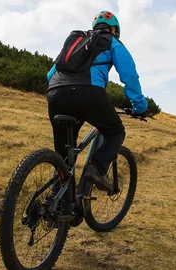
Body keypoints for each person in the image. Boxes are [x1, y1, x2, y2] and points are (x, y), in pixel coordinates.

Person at [46, 11, 148, 192]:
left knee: (63, 157)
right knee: (116, 132)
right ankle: (97, 169)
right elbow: (129, 75)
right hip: (88, 92)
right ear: (114, 30)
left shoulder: (76, 42)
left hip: (55, 93)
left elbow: (49, 74)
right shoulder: (111, 41)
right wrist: (139, 106)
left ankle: (58, 205)